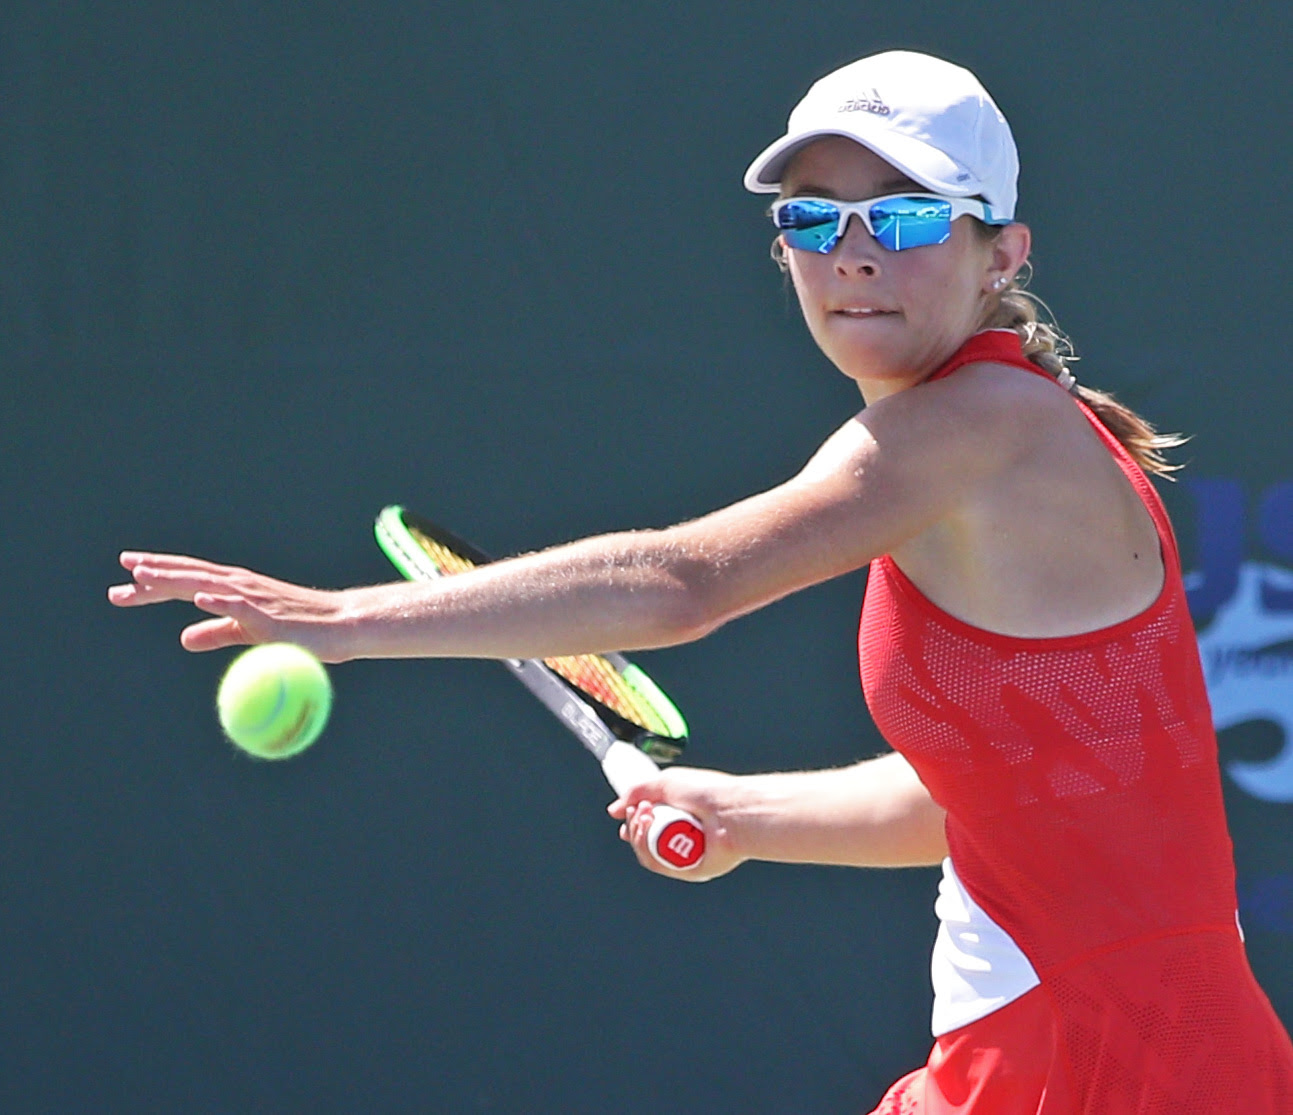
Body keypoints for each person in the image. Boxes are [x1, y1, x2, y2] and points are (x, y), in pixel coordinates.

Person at [109, 49, 1292, 1113]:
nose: (858, 252)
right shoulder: (988, 438)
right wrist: (745, 813)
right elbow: (974, 800)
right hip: (1065, 1056)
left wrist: (341, 621)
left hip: (1121, 1071)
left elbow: (682, 584)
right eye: (814, 219)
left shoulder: (980, 427)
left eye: (912, 214)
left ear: (1002, 254)